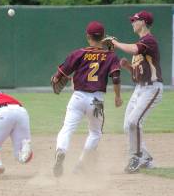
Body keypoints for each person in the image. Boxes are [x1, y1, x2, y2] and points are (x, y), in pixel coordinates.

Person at [51, 21, 123, 177]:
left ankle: (61, 151)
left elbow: (60, 75)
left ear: (87, 36)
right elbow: (116, 78)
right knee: (95, 133)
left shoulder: (79, 53)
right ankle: (81, 164)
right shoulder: (110, 56)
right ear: (103, 37)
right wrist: (117, 96)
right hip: (96, 101)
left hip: (77, 98)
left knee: (67, 129)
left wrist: (56, 78)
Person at [110, 10, 163, 173]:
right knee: (128, 126)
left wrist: (115, 43)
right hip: (140, 88)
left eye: (135, 20)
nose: (132, 22)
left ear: (144, 22)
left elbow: (134, 49)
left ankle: (137, 157)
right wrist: (128, 67)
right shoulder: (142, 42)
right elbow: (138, 73)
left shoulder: (149, 40)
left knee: (134, 122)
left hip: (152, 88)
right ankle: (146, 158)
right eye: (132, 20)